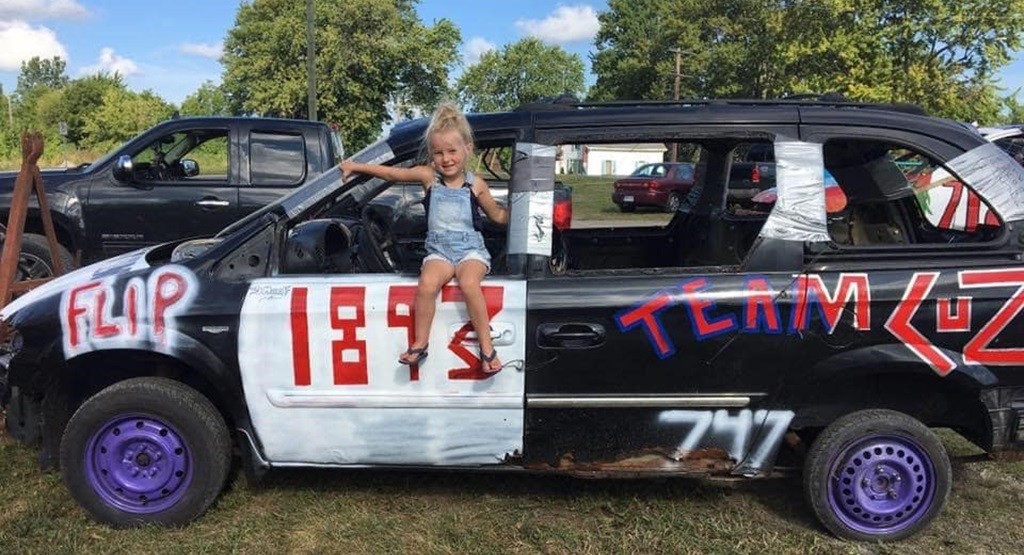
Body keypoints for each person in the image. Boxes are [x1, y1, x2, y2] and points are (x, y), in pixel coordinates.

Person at [340, 103, 508, 374]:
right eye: (438, 152)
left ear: (468, 149)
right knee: (427, 284)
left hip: (470, 251)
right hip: (439, 252)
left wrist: (524, 213)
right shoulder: (429, 177)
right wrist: (355, 166)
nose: (446, 158)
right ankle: (420, 343)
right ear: (431, 155)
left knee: (468, 282)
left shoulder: (475, 183)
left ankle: (487, 350)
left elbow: (497, 216)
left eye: (452, 151)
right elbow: (391, 173)